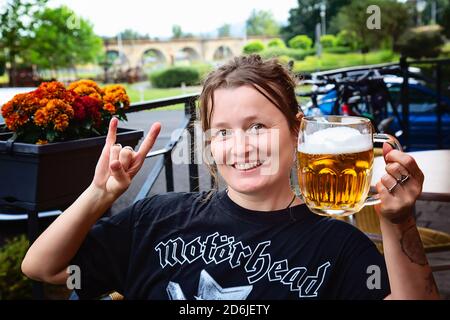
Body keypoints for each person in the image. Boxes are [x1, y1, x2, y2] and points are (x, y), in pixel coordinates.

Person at [21, 55, 439, 300]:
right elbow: (42, 267)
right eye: (223, 131)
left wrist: (398, 220)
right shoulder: (155, 220)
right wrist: (98, 193)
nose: (240, 147)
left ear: (298, 131)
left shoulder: (338, 247)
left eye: (258, 126)